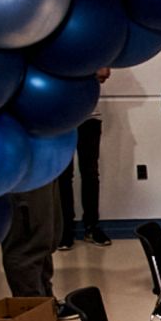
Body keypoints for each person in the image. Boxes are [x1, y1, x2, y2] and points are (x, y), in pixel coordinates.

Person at [57, 67, 112, 249]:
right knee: (63, 175)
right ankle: (66, 230)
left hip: (89, 115)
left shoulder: (93, 47)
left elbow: (103, 73)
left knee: (90, 173)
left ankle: (92, 226)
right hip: (60, 117)